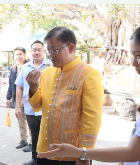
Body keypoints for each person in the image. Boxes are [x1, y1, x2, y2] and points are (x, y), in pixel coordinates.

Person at [42, 22, 140, 165]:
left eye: (139, 56)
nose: (134, 63)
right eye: (133, 56)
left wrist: (81, 152)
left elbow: (133, 152)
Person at [24, 27, 103, 163]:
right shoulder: (47, 73)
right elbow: (37, 107)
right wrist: (33, 89)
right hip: (45, 150)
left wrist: (85, 155)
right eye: (49, 51)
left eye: (55, 50)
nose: (51, 55)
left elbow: (92, 120)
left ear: (71, 48)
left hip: (72, 153)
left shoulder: (89, 74)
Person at [18, 40, 49, 161]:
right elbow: (19, 87)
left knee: (47, 136)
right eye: (34, 50)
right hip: (30, 108)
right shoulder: (25, 67)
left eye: (39, 49)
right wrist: (16, 107)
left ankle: (46, 159)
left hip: (46, 108)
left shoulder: (51, 66)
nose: (37, 52)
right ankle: (34, 159)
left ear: (44, 51)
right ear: (31, 52)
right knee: (35, 135)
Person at [7, 47, 29, 151]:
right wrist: (8, 97)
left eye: (20, 54)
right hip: (18, 98)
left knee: (30, 121)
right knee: (20, 120)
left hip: (29, 98)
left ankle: (33, 143)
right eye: (17, 54)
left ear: (25, 55)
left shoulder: (30, 66)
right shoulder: (13, 68)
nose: (18, 56)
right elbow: (11, 84)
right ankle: (23, 140)